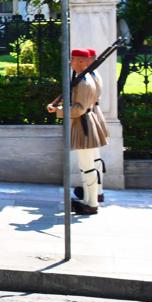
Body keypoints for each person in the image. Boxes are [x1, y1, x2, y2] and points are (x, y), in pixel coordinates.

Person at [47, 48, 109, 215]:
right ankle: (90, 199)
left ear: (82, 62)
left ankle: (92, 203)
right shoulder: (85, 78)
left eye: (73, 59)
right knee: (89, 164)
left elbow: (78, 109)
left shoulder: (83, 82)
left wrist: (58, 110)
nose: (71, 62)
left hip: (83, 125)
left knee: (87, 166)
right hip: (87, 121)